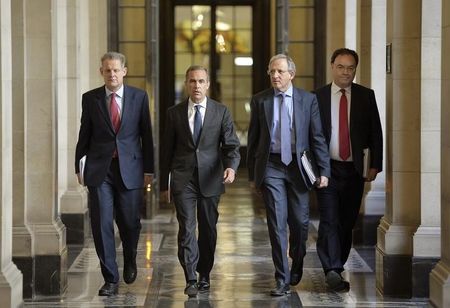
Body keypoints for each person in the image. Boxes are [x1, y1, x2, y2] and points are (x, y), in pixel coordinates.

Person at [247, 54, 330, 296]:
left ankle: (298, 259)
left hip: (299, 166)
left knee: (301, 223)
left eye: (280, 72)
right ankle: (282, 278)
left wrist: (323, 170)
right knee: (276, 223)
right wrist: (253, 174)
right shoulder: (260, 100)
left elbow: (317, 138)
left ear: (291, 74)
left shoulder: (308, 100)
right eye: (272, 71)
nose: (275, 76)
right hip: (272, 166)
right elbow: (253, 140)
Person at [75, 51, 154, 296]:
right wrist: (78, 165)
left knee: (130, 223)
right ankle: (110, 278)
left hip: (130, 169)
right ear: (102, 72)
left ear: (124, 71)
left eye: (116, 70)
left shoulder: (139, 97)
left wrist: (149, 170)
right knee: (101, 224)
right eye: (107, 70)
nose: (112, 74)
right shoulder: (91, 99)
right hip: (100, 170)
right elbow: (84, 133)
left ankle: (130, 258)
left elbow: (147, 136)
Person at [160, 65, 240, 297]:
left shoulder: (221, 112)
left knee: (208, 230)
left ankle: (204, 273)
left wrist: (231, 168)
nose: (196, 85)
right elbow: (167, 151)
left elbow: (232, 146)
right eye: (192, 81)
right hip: (183, 179)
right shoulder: (173, 113)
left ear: (207, 85)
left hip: (211, 179)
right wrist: (164, 185)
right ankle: (191, 277)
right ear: (187, 84)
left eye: (201, 81)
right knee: (186, 228)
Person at [314, 48, 383, 292]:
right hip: (326, 168)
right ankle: (331, 269)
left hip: (354, 169)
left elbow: (376, 132)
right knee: (330, 219)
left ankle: (338, 263)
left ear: (355, 69)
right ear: (332, 66)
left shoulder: (366, 96)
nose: (345, 72)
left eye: (350, 68)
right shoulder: (318, 97)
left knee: (346, 221)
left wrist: (376, 164)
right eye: (341, 67)